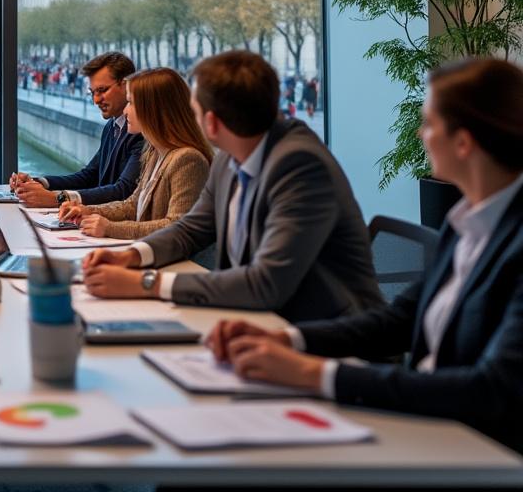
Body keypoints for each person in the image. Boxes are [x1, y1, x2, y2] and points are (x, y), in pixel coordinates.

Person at [206, 58, 523, 453]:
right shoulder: (467, 224)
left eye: (428, 123)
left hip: (478, 451)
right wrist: (288, 338)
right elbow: (397, 321)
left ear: (463, 142)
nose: (420, 134)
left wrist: (315, 373)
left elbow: (492, 389)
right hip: (430, 427)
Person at [80, 50, 383, 322]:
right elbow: (191, 229)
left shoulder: (301, 167)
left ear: (211, 123)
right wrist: (130, 256)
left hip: (326, 338)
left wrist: (147, 284)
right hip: (255, 322)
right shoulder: (230, 159)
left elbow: (267, 283)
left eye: (194, 109)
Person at [56, 68, 212, 240]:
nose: (125, 111)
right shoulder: (154, 151)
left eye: (130, 103)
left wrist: (110, 228)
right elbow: (132, 205)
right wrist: (87, 210)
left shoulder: (188, 160)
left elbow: (176, 226)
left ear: (153, 109)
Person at [10, 52, 144, 207]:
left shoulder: (141, 132)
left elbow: (123, 191)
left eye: (102, 90)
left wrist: (58, 199)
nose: (96, 100)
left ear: (125, 85)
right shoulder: (112, 126)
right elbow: (89, 175)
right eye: (92, 92)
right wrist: (40, 183)